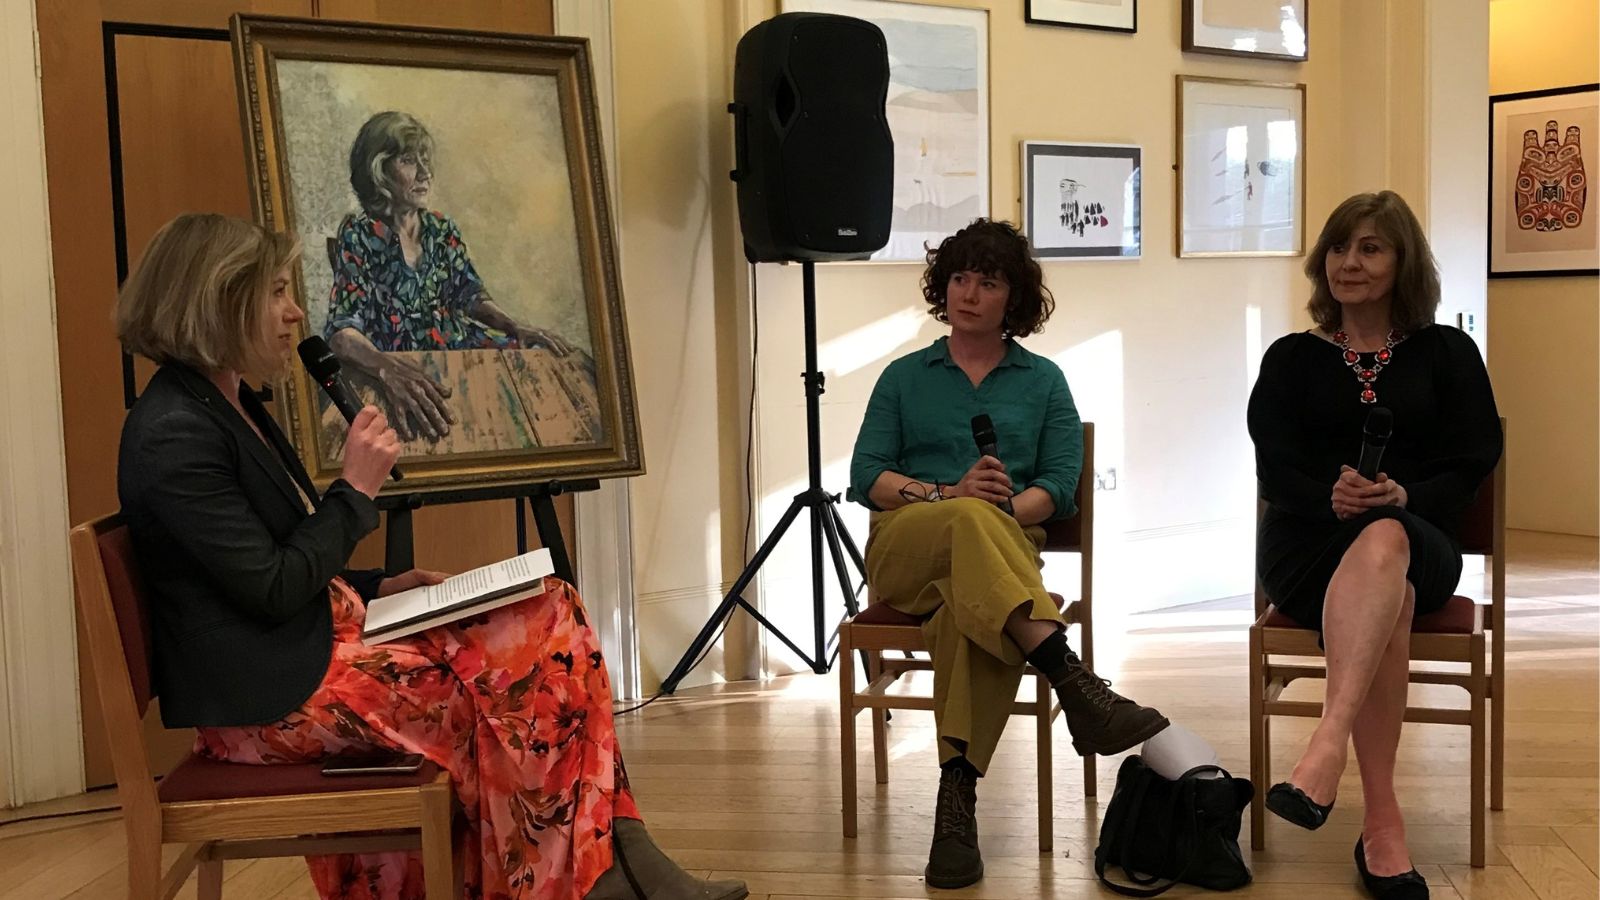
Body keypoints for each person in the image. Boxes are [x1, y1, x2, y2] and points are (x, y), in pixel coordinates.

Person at [115, 213, 745, 900]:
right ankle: (595, 876)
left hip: (313, 646)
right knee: (522, 683)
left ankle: (612, 861)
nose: (296, 312)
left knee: (550, 605)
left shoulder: (227, 402)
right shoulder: (172, 433)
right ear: (217, 299)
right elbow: (268, 585)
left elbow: (264, 562)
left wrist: (384, 582)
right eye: (274, 293)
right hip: (274, 700)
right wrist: (353, 492)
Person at [847, 219, 1169, 890]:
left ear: (1012, 297)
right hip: (907, 545)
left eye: (987, 282)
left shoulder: (1044, 382)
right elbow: (867, 475)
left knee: (971, 616)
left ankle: (954, 804)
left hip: (995, 564)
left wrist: (996, 510)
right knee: (967, 517)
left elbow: (1057, 488)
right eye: (959, 278)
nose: (969, 293)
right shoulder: (905, 378)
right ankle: (1073, 680)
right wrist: (948, 494)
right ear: (944, 288)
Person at [1249, 191, 1501, 900]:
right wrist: (1326, 495)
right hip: (1308, 548)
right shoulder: (1292, 358)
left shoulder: (1447, 353)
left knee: (1387, 542)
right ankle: (1382, 826)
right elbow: (1275, 464)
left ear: (1402, 262)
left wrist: (1404, 495)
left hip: (1420, 537)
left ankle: (1326, 748)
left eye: (1369, 248)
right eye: (1338, 247)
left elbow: (1476, 455)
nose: (1348, 263)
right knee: (1388, 594)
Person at [324, 110, 588, 442]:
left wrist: (515, 326)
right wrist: (385, 367)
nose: (425, 173)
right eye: (408, 161)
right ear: (378, 170)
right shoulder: (359, 233)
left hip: (459, 345)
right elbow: (341, 332)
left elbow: (470, 295)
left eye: (425, 161)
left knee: (554, 368)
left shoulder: (440, 227)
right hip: (402, 362)